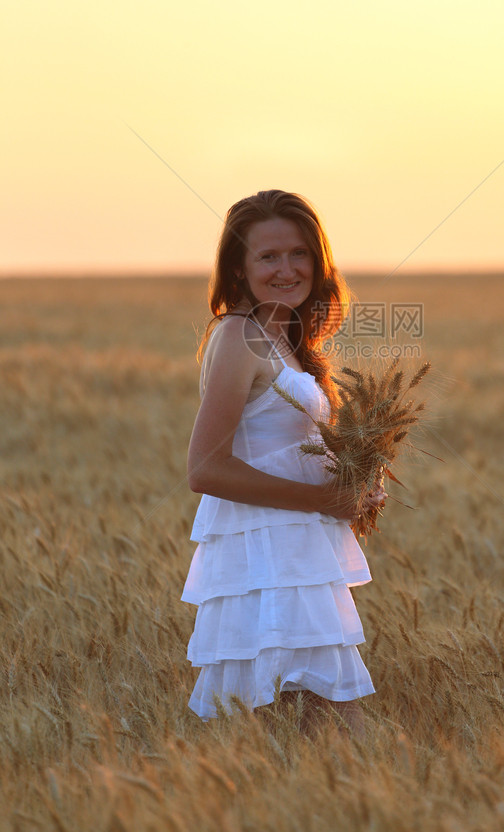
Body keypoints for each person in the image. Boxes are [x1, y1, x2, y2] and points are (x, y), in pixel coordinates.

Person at [180, 189, 386, 735]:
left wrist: (355, 485)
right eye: (268, 256)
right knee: (328, 732)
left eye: (299, 253)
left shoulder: (283, 337)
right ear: (239, 269)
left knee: (319, 735)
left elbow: (288, 447)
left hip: (296, 553)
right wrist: (325, 499)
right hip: (265, 562)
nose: (286, 268)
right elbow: (205, 468)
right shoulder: (239, 335)